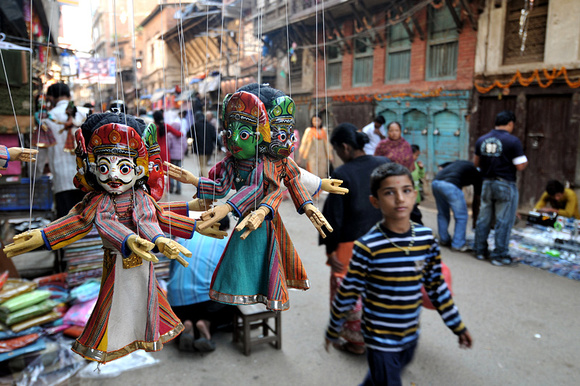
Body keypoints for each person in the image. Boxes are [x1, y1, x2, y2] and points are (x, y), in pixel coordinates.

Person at [325, 162, 473, 385]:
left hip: (410, 336)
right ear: (375, 201)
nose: (400, 199)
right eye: (389, 193)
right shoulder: (367, 247)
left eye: (405, 191)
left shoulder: (425, 239)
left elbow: (437, 287)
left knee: (379, 379)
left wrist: (457, 326)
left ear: (414, 196)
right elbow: (348, 291)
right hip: (379, 341)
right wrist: (333, 328)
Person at [320, 123, 390, 355]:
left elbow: (333, 218)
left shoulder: (342, 174)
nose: (339, 156)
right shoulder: (383, 165)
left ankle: (356, 341)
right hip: (384, 242)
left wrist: (330, 249)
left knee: (349, 292)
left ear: (346, 147)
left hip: (351, 247)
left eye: (338, 151)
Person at [169, 216, 235, 353]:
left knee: (190, 305)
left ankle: (187, 324)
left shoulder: (185, 237)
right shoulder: (224, 243)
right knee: (231, 302)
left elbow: (172, 271)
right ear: (223, 229)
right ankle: (205, 324)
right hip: (207, 302)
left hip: (177, 300)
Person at [474, 110, 528, 266]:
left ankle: (479, 250)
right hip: (505, 184)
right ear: (510, 123)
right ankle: (499, 255)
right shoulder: (513, 141)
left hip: (487, 183)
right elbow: (520, 165)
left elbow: (476, 163)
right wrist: (526, 162)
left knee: (483, 219)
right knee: (503, 221)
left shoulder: (481, 140)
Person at [44, 82, 88, 217]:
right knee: (87, 218)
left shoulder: (47, 118)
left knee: (65, 221)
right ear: (69, 95)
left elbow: (41, 150)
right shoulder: (85, 113)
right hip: (86, 176)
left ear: (50, 98)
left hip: (61, 176)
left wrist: (38, 170)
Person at [432, 160, 482, 252]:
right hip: (450, 185)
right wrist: (475, 218)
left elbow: (441, 166)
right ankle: (458, 244)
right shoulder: (479, 174)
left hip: (436, 182)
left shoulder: (464, 163)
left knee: (443, 213)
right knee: (461, 216)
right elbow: (476, 199)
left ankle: (444, 239)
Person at [298, 114, 333, 178]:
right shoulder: (309, 131)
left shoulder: (323, 131)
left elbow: (327, 144)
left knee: (322, 173)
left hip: (322, 157)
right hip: (312, 156)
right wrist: (299, 158)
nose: (316, 122)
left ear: (321, 121)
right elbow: (304, 144)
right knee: (313, 174)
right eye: (314, 121)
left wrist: (330, 157)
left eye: (318, 120)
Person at [191, 111, 217, 177]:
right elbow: (215, 137)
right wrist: (219, 146)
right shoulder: (210, 126)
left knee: (202, 166)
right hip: (209, 149)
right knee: (203, 165)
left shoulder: (195, 125)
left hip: (200, 149)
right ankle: (201, 180)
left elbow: (190, 134)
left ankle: (206, 182)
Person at [167, 122, 187, 194]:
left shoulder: (170, 135)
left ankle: (171, 187)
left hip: (172, 156)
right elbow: (185, 146)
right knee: (179, 173)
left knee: (171, 173)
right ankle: (179, 189)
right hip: (180, 157)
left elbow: (168, 146)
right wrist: (182, 153)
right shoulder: (182, 135)